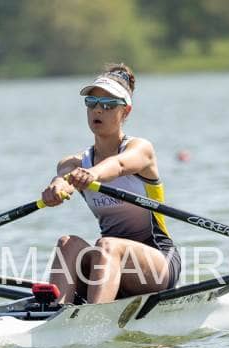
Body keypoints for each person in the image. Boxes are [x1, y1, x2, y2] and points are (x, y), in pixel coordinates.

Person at [41, 63, 181, 305]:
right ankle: (54, 312)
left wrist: (92, 174)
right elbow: (63, 177)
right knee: (67, 243)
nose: (98, 110)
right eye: (92, 103)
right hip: (106, 263)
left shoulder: (141, 149)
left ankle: (96, 318)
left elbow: (119, 165)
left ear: (126, 111)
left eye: (108, 104)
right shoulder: (75, 162)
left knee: (107, 245)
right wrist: (57, 188)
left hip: (158, 263)